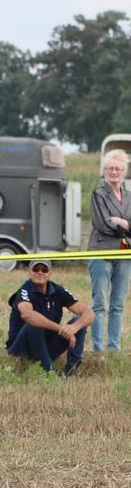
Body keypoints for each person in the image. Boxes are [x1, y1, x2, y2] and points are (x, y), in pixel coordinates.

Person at [6, 259, 94, 376]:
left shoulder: (57, 290)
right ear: (29, 272)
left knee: (79, 320)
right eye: (36, 269)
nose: (40, 272)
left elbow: (90, 313)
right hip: (21, 349)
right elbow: (28, 315)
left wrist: (74, 328)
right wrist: (60, 329)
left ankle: (70, 371)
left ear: (50, 273)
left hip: (46, 348)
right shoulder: (24, 291)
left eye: (44, 269)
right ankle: (49, 374)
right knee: (34, 324)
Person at [88, 149, 131, 354]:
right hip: (101, 253)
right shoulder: (99, 194)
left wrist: (121, 221)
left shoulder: (130, 196)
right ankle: (98, 350)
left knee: (118, 305)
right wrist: (127, 225)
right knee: (100, 304)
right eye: (110, 168)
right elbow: (103, 224)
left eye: (118, 168)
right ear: (105, 171)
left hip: (124, 254)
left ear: (124, 172)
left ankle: (114, 349)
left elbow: (114, 222)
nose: (114, 172)